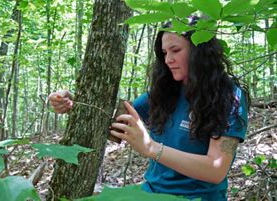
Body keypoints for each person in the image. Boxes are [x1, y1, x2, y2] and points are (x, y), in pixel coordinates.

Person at [48, 17, 250, 201]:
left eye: (176, 50)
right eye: (164, 53)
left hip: (197, 197)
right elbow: (116, 125)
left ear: (200, 51)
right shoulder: (166, 92)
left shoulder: (228, 96)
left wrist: (151, 148)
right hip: (150, 192)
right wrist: (74, 105)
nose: (168, 59)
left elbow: (216, 170)